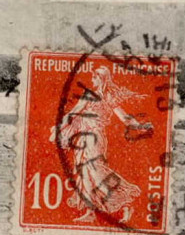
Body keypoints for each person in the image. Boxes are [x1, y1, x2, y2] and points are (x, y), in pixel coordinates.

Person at [50, 65, 153, 223]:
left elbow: (124, 118)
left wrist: (140, 126)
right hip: (84, 137)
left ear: (102, 79)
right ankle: (90, 211)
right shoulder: (88, 94)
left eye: (95, 76)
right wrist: (59, 127)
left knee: (97, 173)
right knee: (84, 173)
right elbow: (73, 113)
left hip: (96, 138)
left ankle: (125, 205)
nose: (92, 79)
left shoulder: (109, 97)